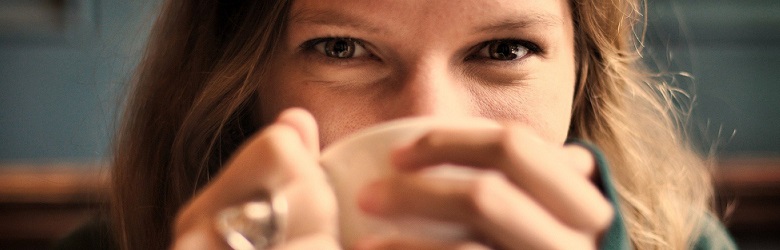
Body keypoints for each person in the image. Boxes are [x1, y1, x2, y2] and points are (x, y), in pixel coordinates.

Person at [76, 0, 737, 249]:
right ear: (242, 81)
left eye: (504, 50)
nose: (428, 125)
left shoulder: (682, 243)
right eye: (341, 48)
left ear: (583, 74)